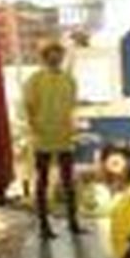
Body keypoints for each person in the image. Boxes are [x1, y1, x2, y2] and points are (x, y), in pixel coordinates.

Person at [23, 40, 82, 239]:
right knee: (42, 181)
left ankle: (74, 223)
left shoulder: (69, 79)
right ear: (45, 56)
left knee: (69, 181)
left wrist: (72, 128)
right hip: (43, 138)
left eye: (59, 53)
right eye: (51, 53)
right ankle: (44, 226)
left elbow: (71, 106)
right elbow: (29, 107)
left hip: (64, 137)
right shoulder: (36, 79)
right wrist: (36, 129)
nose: (56, 57)